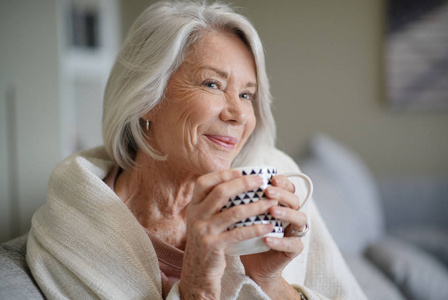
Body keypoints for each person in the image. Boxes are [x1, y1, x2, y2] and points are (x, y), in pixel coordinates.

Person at [26, 1, 367, 299]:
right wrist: (197, 285)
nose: (237, 114)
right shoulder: (74, 225)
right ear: (147, 99)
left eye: (247, 94)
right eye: (212, 84)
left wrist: (269, 282)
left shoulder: (275, 174)